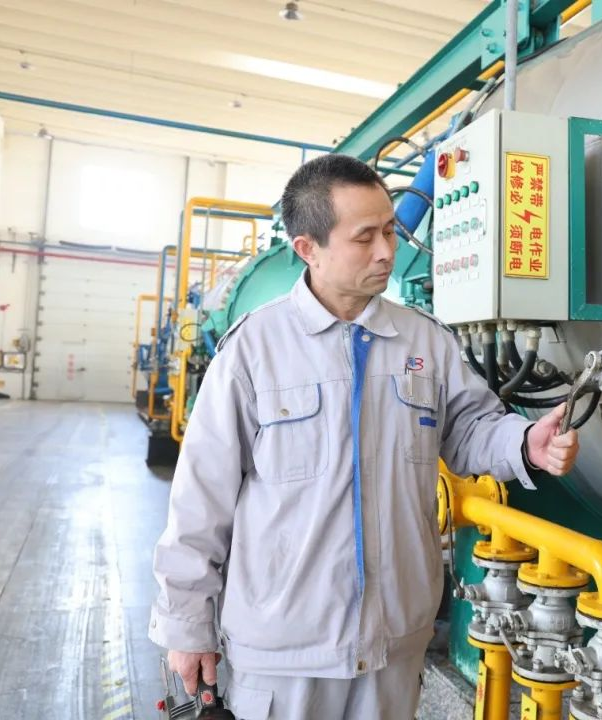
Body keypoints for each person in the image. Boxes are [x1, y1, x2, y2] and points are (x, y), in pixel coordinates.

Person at [149, 154, 580, 720]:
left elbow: (471, 429)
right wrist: (187, 627)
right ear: (308, 248)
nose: (386, 251)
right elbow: (199, 500)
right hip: (286, 653)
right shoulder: (254, 349)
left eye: (390, 231)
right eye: (364, 237)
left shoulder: (424, 341)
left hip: (392, 645)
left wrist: (524, 444)